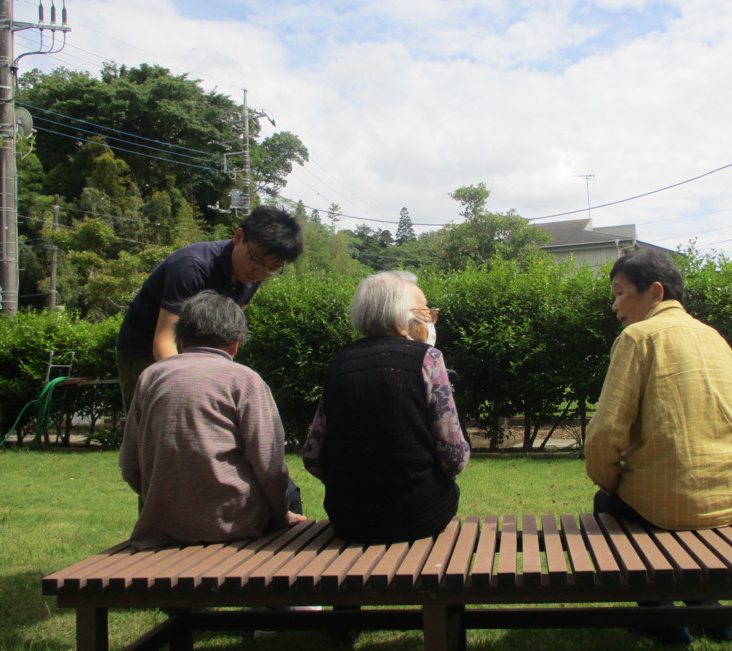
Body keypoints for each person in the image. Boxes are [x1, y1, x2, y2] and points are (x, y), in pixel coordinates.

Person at [585, 248, 732, 645]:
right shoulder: (714, 337)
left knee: (609, 506)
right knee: (665, 510)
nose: (615, 306)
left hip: (675, 499)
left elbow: (604, 435)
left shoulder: (638, 337)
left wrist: (609, 481)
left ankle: (663, 622)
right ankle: (715, 618)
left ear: (655, 293)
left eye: (619, 293)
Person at [119, 290, 305, 549]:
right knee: (291, 494)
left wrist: (162, 502)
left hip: (162, 526)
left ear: (181, 340)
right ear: (235, 344)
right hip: (233, 524)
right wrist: (279, 514)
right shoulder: (243, 379)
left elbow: (130, 465)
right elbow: (269, 465)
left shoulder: (150, 377)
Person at [302, 271, 470, 543]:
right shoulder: (429, 359)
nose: (429, 320)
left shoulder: (340, 364)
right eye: (425, 312)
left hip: (348, 521)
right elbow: (454, 458)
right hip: (419, 515)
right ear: (402, 318)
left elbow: (312, 456)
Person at [116, 205, 303, 409]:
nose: (259, 272)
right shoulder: (191, 267)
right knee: (153, 425)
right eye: (255, 259)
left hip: (196, 352)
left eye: (272, 268)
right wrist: (192, 387)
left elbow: (226, 335)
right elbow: (163, 342)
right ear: (239, 236)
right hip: (144, 352)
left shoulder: (252, 277)